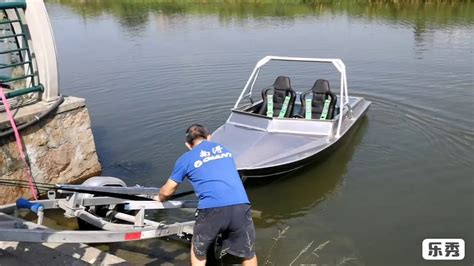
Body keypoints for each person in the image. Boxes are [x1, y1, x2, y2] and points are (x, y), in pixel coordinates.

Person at [154, 124, 257, 266]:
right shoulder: (225, 150)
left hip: (212, 209)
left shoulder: (186, 158)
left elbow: (167, 191)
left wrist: (159, 198)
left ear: (188, 145)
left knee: (198, 252)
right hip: (241, 205)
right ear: (209, 137)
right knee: (248, 252)